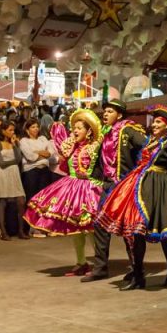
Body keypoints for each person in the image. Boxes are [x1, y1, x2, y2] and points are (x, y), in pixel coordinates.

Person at [96, 106, 167, 290]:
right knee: (136, 231)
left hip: (160, 188)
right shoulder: (150, 141)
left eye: (159, 122)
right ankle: (138, 275)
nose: (155, 125)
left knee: (164, 231)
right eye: (155, 122)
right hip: (139, 186)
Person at [24, 109, 105, 275]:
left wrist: (92, 177)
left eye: (79, 128)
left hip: (89, 189)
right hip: (72, 187)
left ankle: (99, 263)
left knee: (89, 228)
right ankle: (81, 262)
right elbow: (63, 161)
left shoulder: (95, 147)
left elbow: (102, 167)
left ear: (89, 131)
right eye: (74, 128)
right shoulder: (72, 146)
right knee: (75, 229)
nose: (75, 131)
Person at [81, 99, 147, 283]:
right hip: (109, 186)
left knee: (128, 229)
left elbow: (147, 146)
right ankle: (100, 267)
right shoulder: (106, 134)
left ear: (119, 114)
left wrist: (138, 173)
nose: (106, 114)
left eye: (110, 111)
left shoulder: (128, 130)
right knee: (100, 224)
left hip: (124, 186)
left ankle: (137, 270)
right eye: (105, 111)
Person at [0, 121, 28, 240]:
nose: (12, 132)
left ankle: (21, 230)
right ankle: (3, 231)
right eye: (10, 130)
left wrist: (15, 145)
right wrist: (13, 163)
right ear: (3, 131)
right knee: (2, 202)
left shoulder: (13, 143)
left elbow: (18, 158)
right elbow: (1, 163)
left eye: (13, 130)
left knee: (21, 201)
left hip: (14, 173)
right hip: (3, 174)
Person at [19, 120, 53, 204]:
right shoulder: (24, 141)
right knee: (31, 197)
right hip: (31, 171)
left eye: (37, 127)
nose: (36, 129)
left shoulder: (43, 138)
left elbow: (50, 153)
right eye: (33, 127)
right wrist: (43, 153)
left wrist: (36, 152)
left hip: (45, 171)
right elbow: (30, 157)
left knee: (44, 197)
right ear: (27, 130)